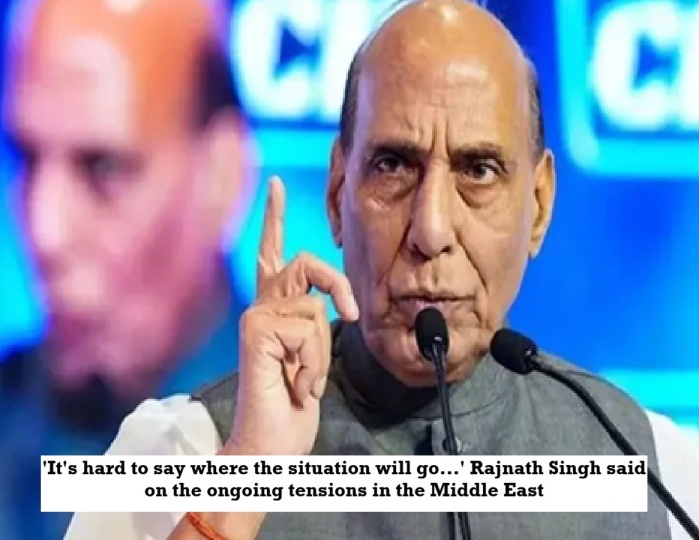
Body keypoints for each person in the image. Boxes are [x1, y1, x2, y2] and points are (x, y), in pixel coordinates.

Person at [66, 1, 699, 539]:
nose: (431, 230)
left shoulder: (649, 466)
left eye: (478, 171)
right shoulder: (182, 451)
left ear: (538, 206)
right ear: (337, 193)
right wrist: (249, 469)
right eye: (394, 166)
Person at [0, 0, 254, 538]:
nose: (45, 231)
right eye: (29, 159)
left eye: (103, 168)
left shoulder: (333, 456)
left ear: (222, 174)